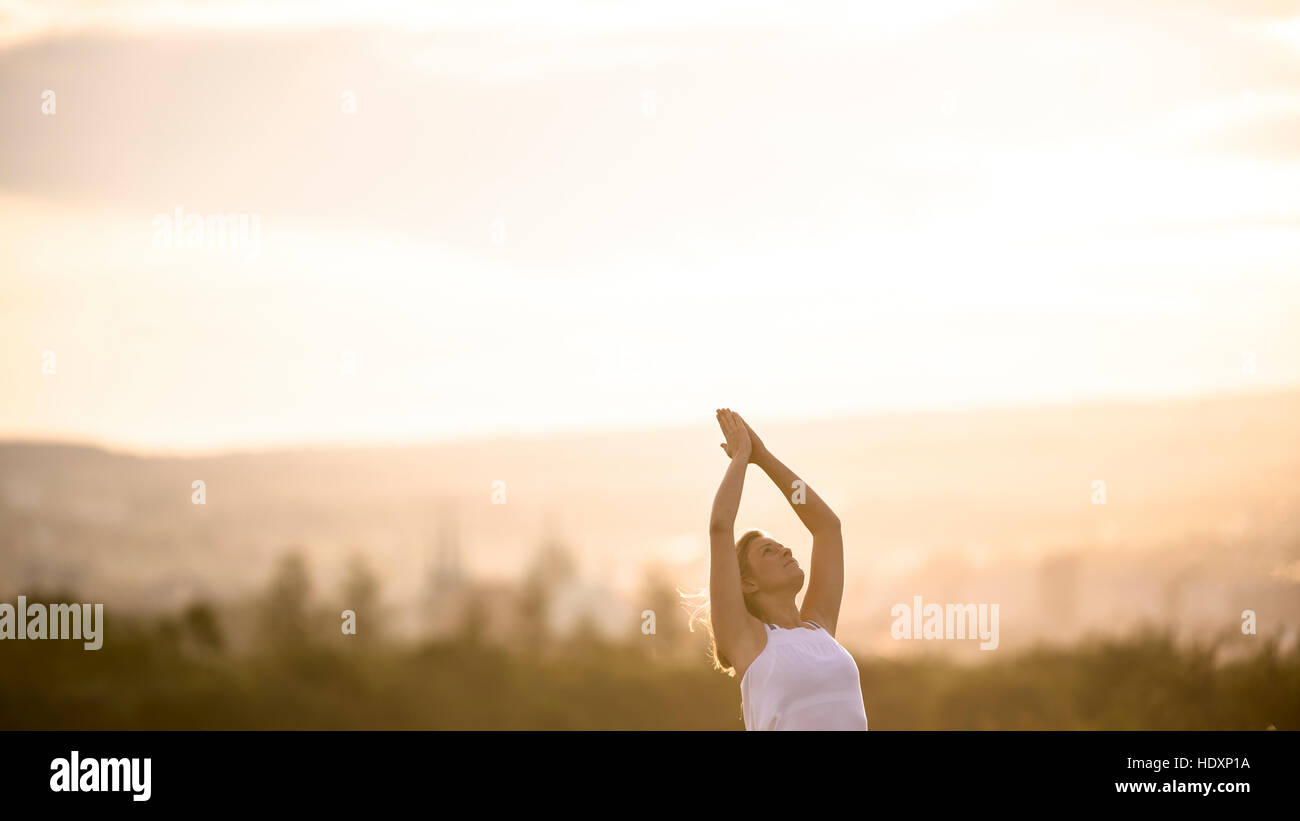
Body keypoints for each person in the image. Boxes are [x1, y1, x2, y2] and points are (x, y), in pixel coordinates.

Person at [689, 408, 868, 730]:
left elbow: (827, 527)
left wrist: (764, 457)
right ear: (747, 584)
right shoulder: (748, 642)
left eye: (780, 545)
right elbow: (720, 527)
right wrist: (740, 458)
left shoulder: (820, 627)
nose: (785, 549)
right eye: (768, 551)